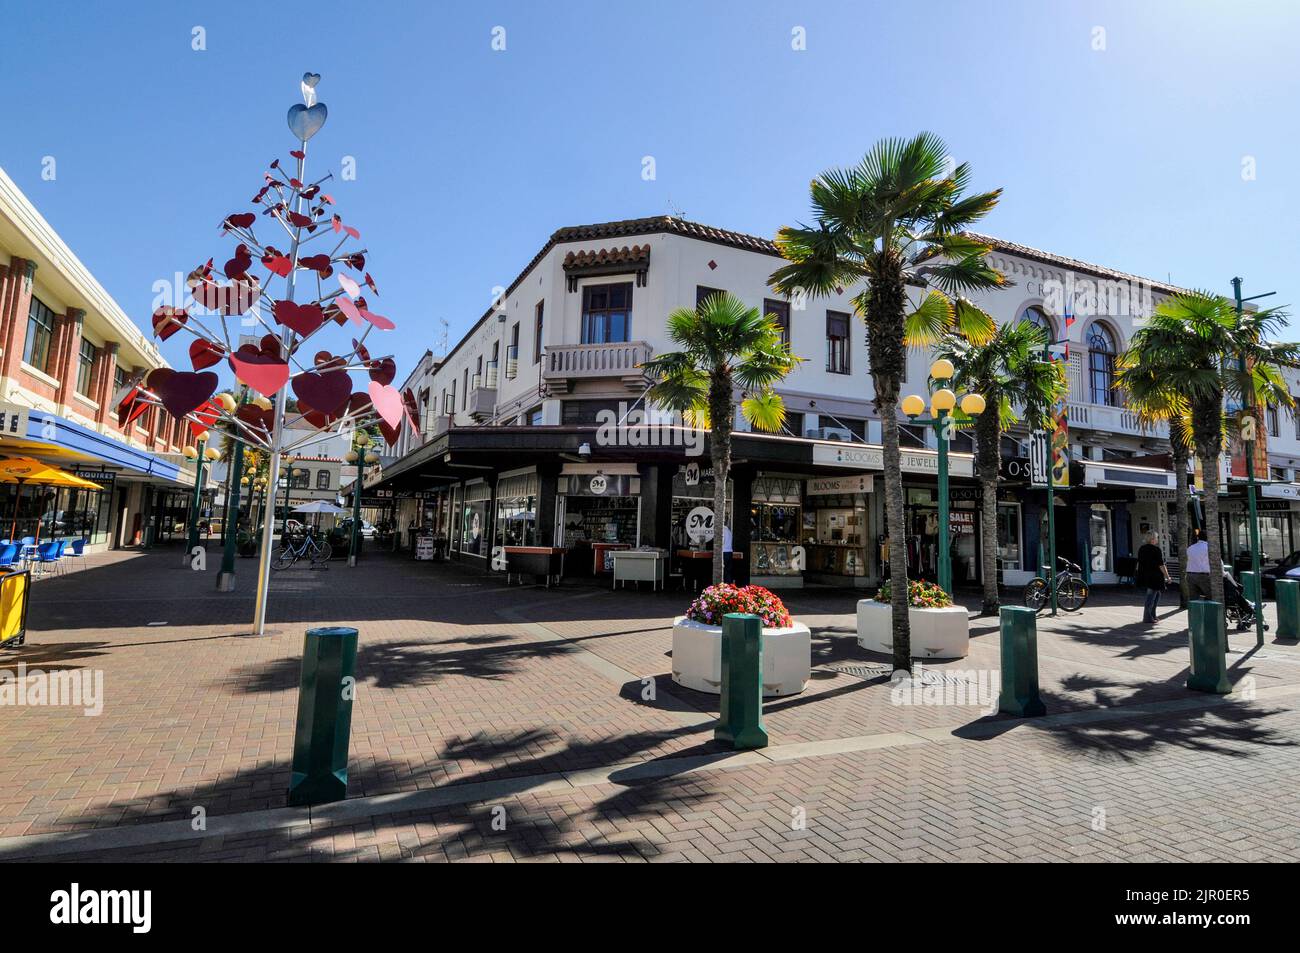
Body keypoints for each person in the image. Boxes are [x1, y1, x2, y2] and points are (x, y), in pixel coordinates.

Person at [1136, 532, 1170, 623]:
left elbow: (1139, 562)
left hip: (1145, 575)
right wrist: (1167, 576)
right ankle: (1147, 617)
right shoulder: (1156, 549)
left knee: (1157, 594)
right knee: (1151, 596)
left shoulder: (1141, 549)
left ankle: (1152, 615)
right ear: (1152, 539)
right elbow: (1161, 565)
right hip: (1154, 576)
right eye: (1157, 538)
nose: (1157, 539)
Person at [1185, 535, 1212, 601]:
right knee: (1211, 596)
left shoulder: (1190, 548)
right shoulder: (1209, 547)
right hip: (1203, 575)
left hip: (1190, 574)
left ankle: (1193, 611)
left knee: (1193, 599)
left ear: (1198, 538)